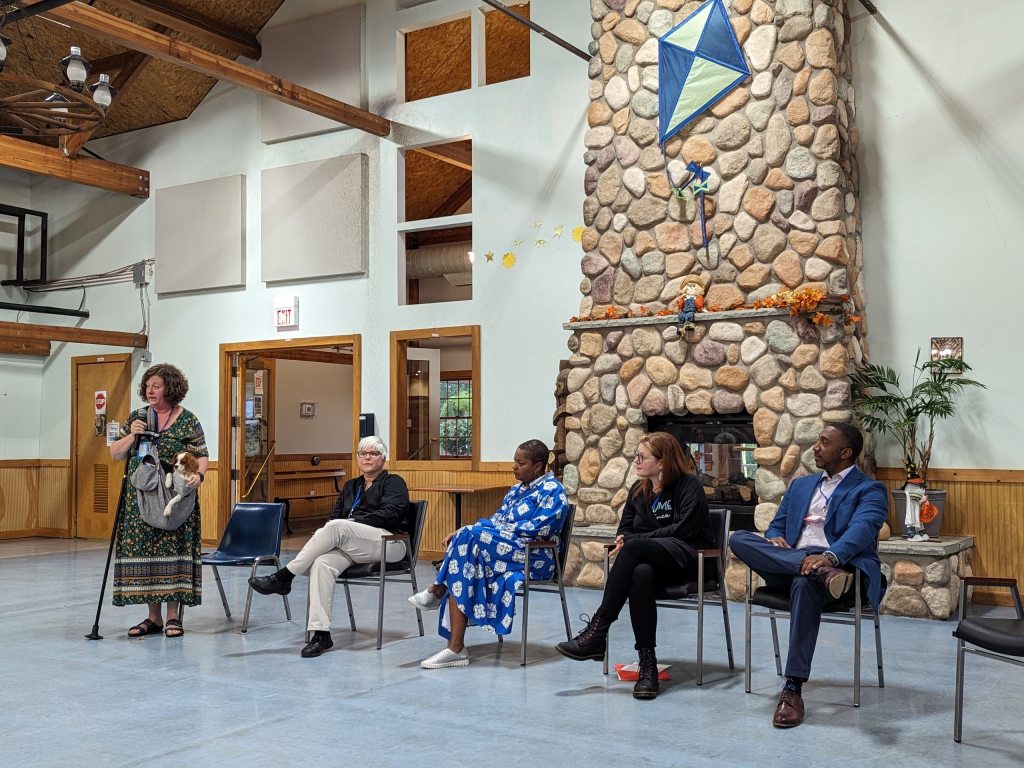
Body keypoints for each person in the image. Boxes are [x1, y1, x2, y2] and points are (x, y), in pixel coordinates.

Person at [729, 422, 888, 728]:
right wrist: (775, 538)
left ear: (845, 452)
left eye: (824, 442)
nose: (815, 446)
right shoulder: (801, 486)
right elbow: (777, 526)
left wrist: (828, 558)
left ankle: (792, 688)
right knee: (739, 538)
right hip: (791, 564)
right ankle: (814, 569)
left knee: (805, 584)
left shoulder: (869, 490)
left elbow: (861, 531)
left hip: (841, 571)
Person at [554, 432, 713, 699]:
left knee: (635, 547)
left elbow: (684, 530)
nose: (636, 461)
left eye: (642, 457)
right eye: (636, 456)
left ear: (662, 462)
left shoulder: (689, 486)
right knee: (640, 574)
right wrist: (629, 539)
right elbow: (625, 529)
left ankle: (598, 631)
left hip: (687, 559)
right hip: (651, 563)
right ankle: (647, 664)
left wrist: (638, 540)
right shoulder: (639, 490)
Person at [408, 439, 568, 669]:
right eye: (514, 461)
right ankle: (454, 646)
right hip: (505, 551)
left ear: (538, 466)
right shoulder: (516, 491)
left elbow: (539, 529)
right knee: (465, 556)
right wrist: (470, 531)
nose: (514, 466)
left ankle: (438, 593)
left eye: (520, 463)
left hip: (535, 556)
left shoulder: (554, 491)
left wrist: (485, 532)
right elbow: (496, 520)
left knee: (470, 536)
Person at [249, 435, 409, 658]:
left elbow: (389, 514)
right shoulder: (351, 486)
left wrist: (351, 524)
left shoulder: (394, 482)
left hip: (389, 542)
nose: (367, 457)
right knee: (322, 563)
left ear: (383, 458)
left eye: (373, 453)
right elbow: (335, 516)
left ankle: (284, 576)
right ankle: (321, 634)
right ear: (357, 458)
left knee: (337, 527)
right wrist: (341, 528)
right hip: (353, 546)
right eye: (363, 453)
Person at [109, 363, 208, 639]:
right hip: (142, 497)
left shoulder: (188, 420)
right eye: (148, 386)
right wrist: (133, 435)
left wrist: (199, 475)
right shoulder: (137, 418)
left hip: (176, 497)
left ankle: (173, 616)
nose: (150, 390)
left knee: (173, 552)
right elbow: (115, 454)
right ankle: (153, 618)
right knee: (147, 553)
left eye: (157, 386)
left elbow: (202, 454)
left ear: (170, 388)